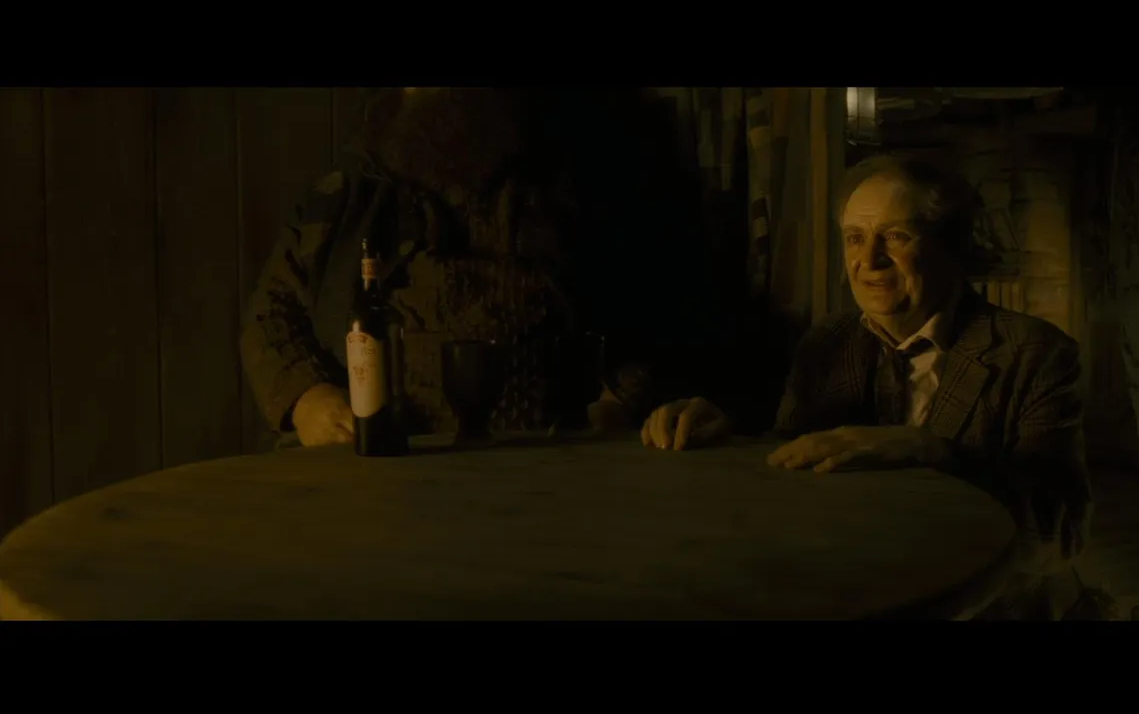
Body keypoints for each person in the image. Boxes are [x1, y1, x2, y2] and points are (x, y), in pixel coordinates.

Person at [639, 152, 1094, 620]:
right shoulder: (828, 342)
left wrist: (933, 454)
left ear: (950, 244)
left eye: (895, 236)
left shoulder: (1035, 352)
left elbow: (1061, 535)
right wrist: (723, 431)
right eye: (855, 238)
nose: (869, 261)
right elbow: (792, 479)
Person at [241, 87, 709, 448]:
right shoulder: (352, 195)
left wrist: (619, 401)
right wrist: (309, 399)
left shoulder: (589, 177)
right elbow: (272, 312)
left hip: (552, 465)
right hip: (383, 461)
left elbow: (661, 305)